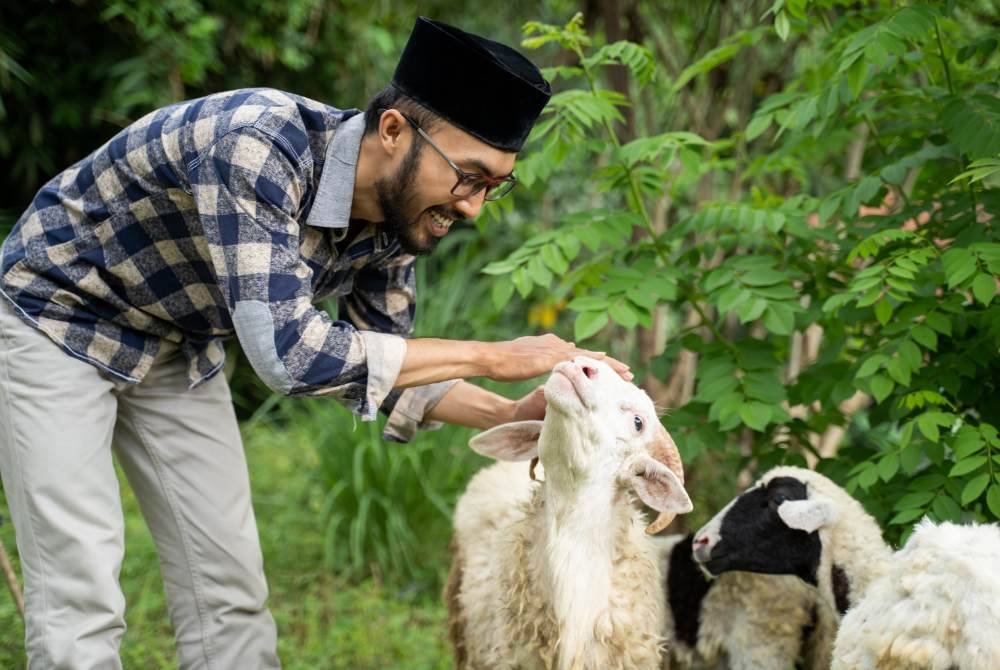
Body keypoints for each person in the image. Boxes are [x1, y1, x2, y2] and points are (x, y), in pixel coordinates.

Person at [0, 16, 631, 669]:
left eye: (493, 187)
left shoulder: (397, 216)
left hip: (177, 338)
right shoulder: (257, 146)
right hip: (58, 315)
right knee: (82, 600)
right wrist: (496, 357)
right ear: (393, 131)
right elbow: (287, 355)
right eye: (467, 175)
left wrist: (507, 412)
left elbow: (385, 362)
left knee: (230, 590)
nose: (472, 206)